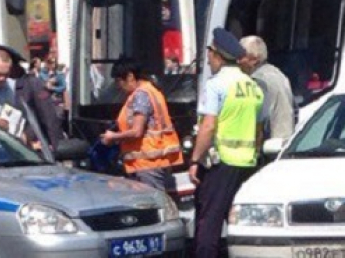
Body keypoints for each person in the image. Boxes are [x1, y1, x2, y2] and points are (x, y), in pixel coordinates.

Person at [188, 28, 264, 258]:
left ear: (218, 55)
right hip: (248, 165)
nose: (208, 57)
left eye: (209, 52)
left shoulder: (216, 84)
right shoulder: (253, 86)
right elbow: (259, 131)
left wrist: (194, 160)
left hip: (221, 164)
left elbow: (208, 126)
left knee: (208, 224)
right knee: (240, 223)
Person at [99, 60, 183, 191]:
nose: (118, 87)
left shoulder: (141, 95)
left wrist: (113, 136)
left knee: (151, 205)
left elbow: (137, 131)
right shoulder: (151, 90)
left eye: (119, 81)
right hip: (154, 162)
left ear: (130, 77)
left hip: (147, 164)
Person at [239, 35, 295, 141]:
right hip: (285, 141)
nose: (237, 61)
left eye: (241, 57)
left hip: (270, 145)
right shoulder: (278, 74)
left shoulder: (257, 81)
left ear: (254, 60)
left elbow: (257, 121)